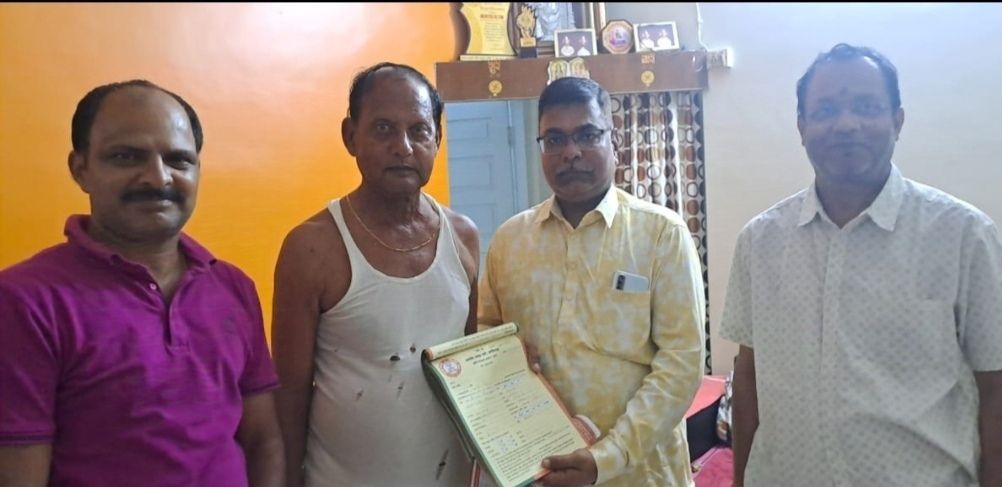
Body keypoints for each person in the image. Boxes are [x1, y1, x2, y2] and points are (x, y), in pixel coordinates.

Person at [719, 43, 1002, 487]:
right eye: (826, 110)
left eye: (866, 107)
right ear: (802, 127)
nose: (846, 124)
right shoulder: (760, 242)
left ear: (897, 121)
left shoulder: (962, 235)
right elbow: (749, 376)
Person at [0, 80, 283, 487]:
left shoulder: (233, 287)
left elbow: (262, 439)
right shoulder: (24, 301)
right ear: (81, 169)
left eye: (179, 160)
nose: (157, 177)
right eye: (126, 157)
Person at [478, 76, 706, 486]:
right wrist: (503, 354)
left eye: (587, 135)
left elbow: (682, 364)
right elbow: (485, 335)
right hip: (538, 471)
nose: (571, 152)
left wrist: (607, 457)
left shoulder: (661, 235)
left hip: (640, 475)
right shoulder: (510, 240)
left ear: (612, 140)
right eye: (555, 139)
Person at [272, 63, 480, 487]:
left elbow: (469, 368)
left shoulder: (463, 237)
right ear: (351, 136)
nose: (403, 147)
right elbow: (289, 397)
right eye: (384, 128)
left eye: (419, 131)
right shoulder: (311, 247)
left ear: (438, 139)